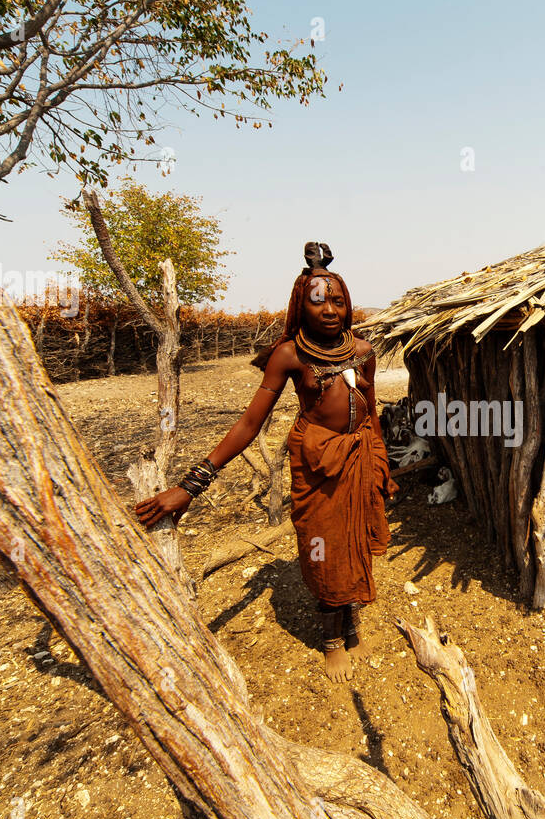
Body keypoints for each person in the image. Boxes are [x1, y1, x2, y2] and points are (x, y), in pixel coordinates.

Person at [134, 242, 398, 682]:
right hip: (318, 464)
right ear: (300, 304)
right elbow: (249, 423)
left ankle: (350, 621)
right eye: (318, 301)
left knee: (353, 543)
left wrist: (381, 465)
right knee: (324, 548)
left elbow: (369, 410)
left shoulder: (364, 351)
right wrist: (191, 485)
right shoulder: (290, 355)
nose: (329, 309)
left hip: (359, 458)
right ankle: (331, 639)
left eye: (337, 300)